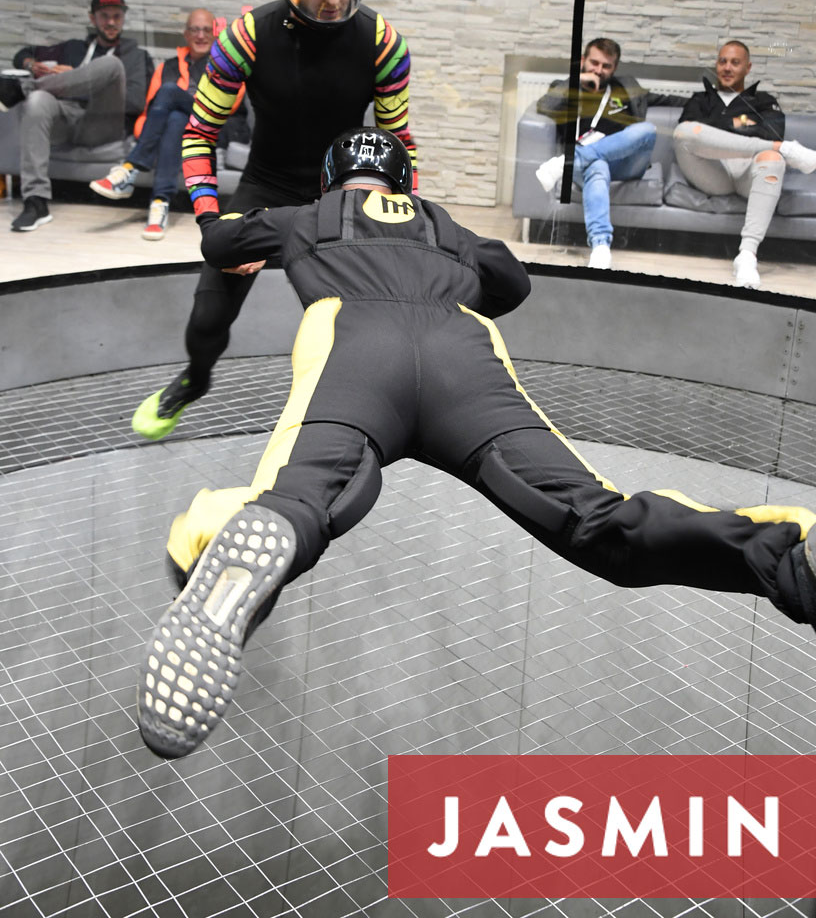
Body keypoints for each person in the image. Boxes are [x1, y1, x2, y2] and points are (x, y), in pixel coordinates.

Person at [137, 127, 816, 760]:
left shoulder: (311, 216)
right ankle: (788, 550)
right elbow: (513, 280)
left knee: (299, 501)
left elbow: (220, 243)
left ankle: (212, 534)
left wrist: (241, 239)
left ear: (331, 178)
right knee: (596, 521)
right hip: (463, 353)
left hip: (353, 346)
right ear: (404, 182)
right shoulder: (446, 226)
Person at [131, 0, 415, 439]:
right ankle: (194, 379)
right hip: (266, 185)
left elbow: (397, 142)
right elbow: (199, 133)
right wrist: (213, 225)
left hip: (341, 193)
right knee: (208, 318)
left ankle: (360, 410)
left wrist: (404, 214)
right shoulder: (246, 35)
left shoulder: (384, 43)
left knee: (364, 321)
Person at [1, 0, 153, 233]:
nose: (111, 22)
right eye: (104, 16)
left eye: (116, 16)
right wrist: (32, 65)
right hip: (65, 119)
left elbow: (136, 102)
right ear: (93, 19)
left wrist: (74, 80)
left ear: (123, 19)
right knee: (37, 101)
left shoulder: (136, 56)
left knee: (111, 65)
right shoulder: (72, 48)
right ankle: (36, 201)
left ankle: (24, 89)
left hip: (103, 121)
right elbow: (23, 54)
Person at [673, 40, 816, 289]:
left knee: (772, 158)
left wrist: (717, 129)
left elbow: (771, 132)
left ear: (747, 68)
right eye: (722, 61)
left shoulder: (763, 101)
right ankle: (786, 149)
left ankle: (747, 256)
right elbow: (689, 136)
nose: (727, 68)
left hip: (747, 173)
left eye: (735, 63)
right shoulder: (700, 99)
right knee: (685, 131)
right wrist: (743, 125)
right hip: (712, 171)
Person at [89, 8, 240, 241]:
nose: (200, 35)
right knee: (176, 119)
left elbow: (226, 106)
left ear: (215, 33)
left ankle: (130, 168)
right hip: (181, 129)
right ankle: (160, 204)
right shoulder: (167, 66)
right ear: (186, 34)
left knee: (169, 91)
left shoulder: (225, 66)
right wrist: (146, 132)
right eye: (194, 30)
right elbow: (151, 108)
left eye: (206, 30)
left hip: (212, 126)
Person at [534, 38, 677, 270]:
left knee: (647, 130)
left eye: (606, 66)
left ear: (615, 68)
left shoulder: (626, 88)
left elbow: (670, 100)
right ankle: (601, 246)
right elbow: (544, 106)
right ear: (583, 61)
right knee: (597, 165)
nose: (599, 70)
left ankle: (566, 162)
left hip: (624, 163)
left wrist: (709, 106)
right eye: (594, 63)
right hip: (589, 168)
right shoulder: (566, 87)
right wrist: (576, 81)